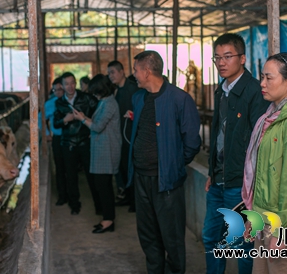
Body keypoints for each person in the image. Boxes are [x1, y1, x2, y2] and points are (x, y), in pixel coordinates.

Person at [127, 50, 201, 274]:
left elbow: (192, 142)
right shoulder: (138, 98)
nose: (134, 75)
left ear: (147, 71)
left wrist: (174, 165)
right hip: (141, 177)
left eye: (136, 70)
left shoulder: (180, 99)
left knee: (172, 235)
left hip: (166, 181)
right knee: (148, 233)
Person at [242, 52, 287, 274]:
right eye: (262, 77)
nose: (262, 84)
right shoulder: (271, 117)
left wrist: (283, 232)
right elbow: (262, 175)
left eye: (268, 78)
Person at [203, 33, 268, 274]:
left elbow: (258, 141)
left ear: (242, 58)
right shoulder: (222, 90)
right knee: (211, 238)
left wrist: (253, 185)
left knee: (243, 245)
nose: (221, 62)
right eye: (217, 57)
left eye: (227, 56)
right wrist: (212, 171)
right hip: (218, 181)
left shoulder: (254, 91)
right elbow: (220, 136)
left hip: (240, 185)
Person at [72, 74, 121, 233]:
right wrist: (85, 117)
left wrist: (81, 119)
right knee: (102, 185)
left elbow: (98, 127)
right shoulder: (105, 102)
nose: (94, 94)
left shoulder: (110, 104)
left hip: (107, 150)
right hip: (102, 150)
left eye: (95, 91)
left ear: (101, 90)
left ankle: (108, 220)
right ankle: (107, 218)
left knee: (104, 186)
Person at [53, 72, 98, 215]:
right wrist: (65, 120)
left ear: (76, 83)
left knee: (92, 175)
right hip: (68, 143)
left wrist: (92, 126)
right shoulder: (59, 103)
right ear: (62, 86)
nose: (70, 86)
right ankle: (74, 205)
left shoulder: (86, 98)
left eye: (72, 83)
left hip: (85, 141)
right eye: (67, 84)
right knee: (71, 175)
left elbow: (98, 113)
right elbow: (56, 123)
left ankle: (99, 205)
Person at [107, 60, 139, 212]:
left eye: (113, 72)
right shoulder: (116, 91)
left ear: (121, 72)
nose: (111, 76)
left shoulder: (133, 89)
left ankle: (134, 201)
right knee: (122, 168)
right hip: (119, 135)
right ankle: (126, 196)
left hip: (131, 136)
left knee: (131, 168)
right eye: (109, 74)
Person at [39, 77, 68, 206]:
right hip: (58, 138)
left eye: (60, 89)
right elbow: (41, 119)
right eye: (55, 90)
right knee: (60, 167)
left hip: (71, 137)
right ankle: (62, 195)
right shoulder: (50, 104)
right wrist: (46, 134)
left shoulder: (70, 100)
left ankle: (73, 196)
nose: (58, 92)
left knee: (71, 168)